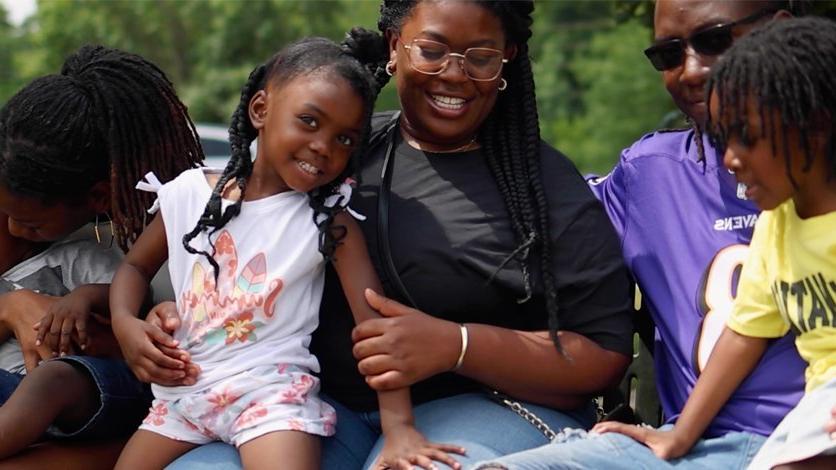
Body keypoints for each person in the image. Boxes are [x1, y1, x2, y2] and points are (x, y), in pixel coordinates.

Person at [168, 1, 633, 469]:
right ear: (395, 46)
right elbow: (246, 253)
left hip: (480, 406)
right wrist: (165, 314)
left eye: (480, 57)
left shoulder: (541, 184)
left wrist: (458, 345)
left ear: (507, 59)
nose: (454, 74)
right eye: (432, 50)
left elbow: (602, 352)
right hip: (316, 406)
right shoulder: (336, 153)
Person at [472, 1, 808, 469]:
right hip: (692, 445)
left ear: (780, 32)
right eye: (668, 55)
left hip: (810, 440)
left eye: (713, 40)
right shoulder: (648, 175)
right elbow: (528, 223)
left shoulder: (816, 186)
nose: (689, 71)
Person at [110, 33, 468, 470]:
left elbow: (375, 330)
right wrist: (125, 325)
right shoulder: (188, 193)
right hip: (180, 397)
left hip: (271, 398)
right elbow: (133, 266)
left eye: (345, 140)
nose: (324, 147)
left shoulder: (328, 222)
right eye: (310, 122)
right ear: (260, 110)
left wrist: (399, 429)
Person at [595, 17, 836, 470]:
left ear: (815, 127)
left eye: (746, 137)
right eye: (724, 139)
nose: (730, 159)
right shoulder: (778, 227)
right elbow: (743, 335)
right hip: (815, 414)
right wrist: (678, 437)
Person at [0, 44, 203, 463]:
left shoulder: (183, 238)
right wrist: (12, 307)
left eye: (32, 225)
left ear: (98, 197)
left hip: (122, 412)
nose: (15, 229)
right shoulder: (27, 202)